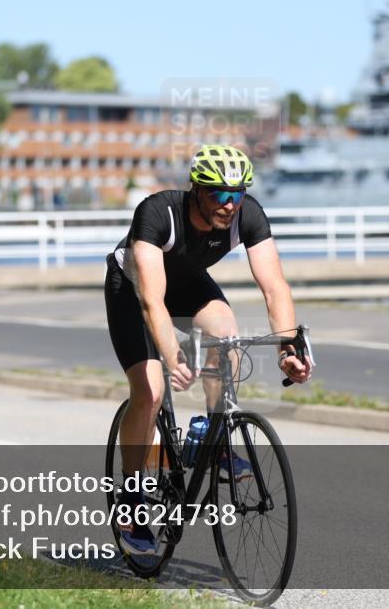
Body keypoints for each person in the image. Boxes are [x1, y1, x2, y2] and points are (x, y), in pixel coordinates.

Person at [104, 144, 313, 555]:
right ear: (196, 188)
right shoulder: (157, 212)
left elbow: (274, 287)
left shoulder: (247, 214)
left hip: (187, 282)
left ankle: (213, 437)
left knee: (227, 333)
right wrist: (171, 354)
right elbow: (151, 301)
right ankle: (130, 499)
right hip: (134, 291)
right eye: (219, 193)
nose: (229, 204)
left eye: (237, 194)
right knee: (150, 390)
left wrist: (288, 348)